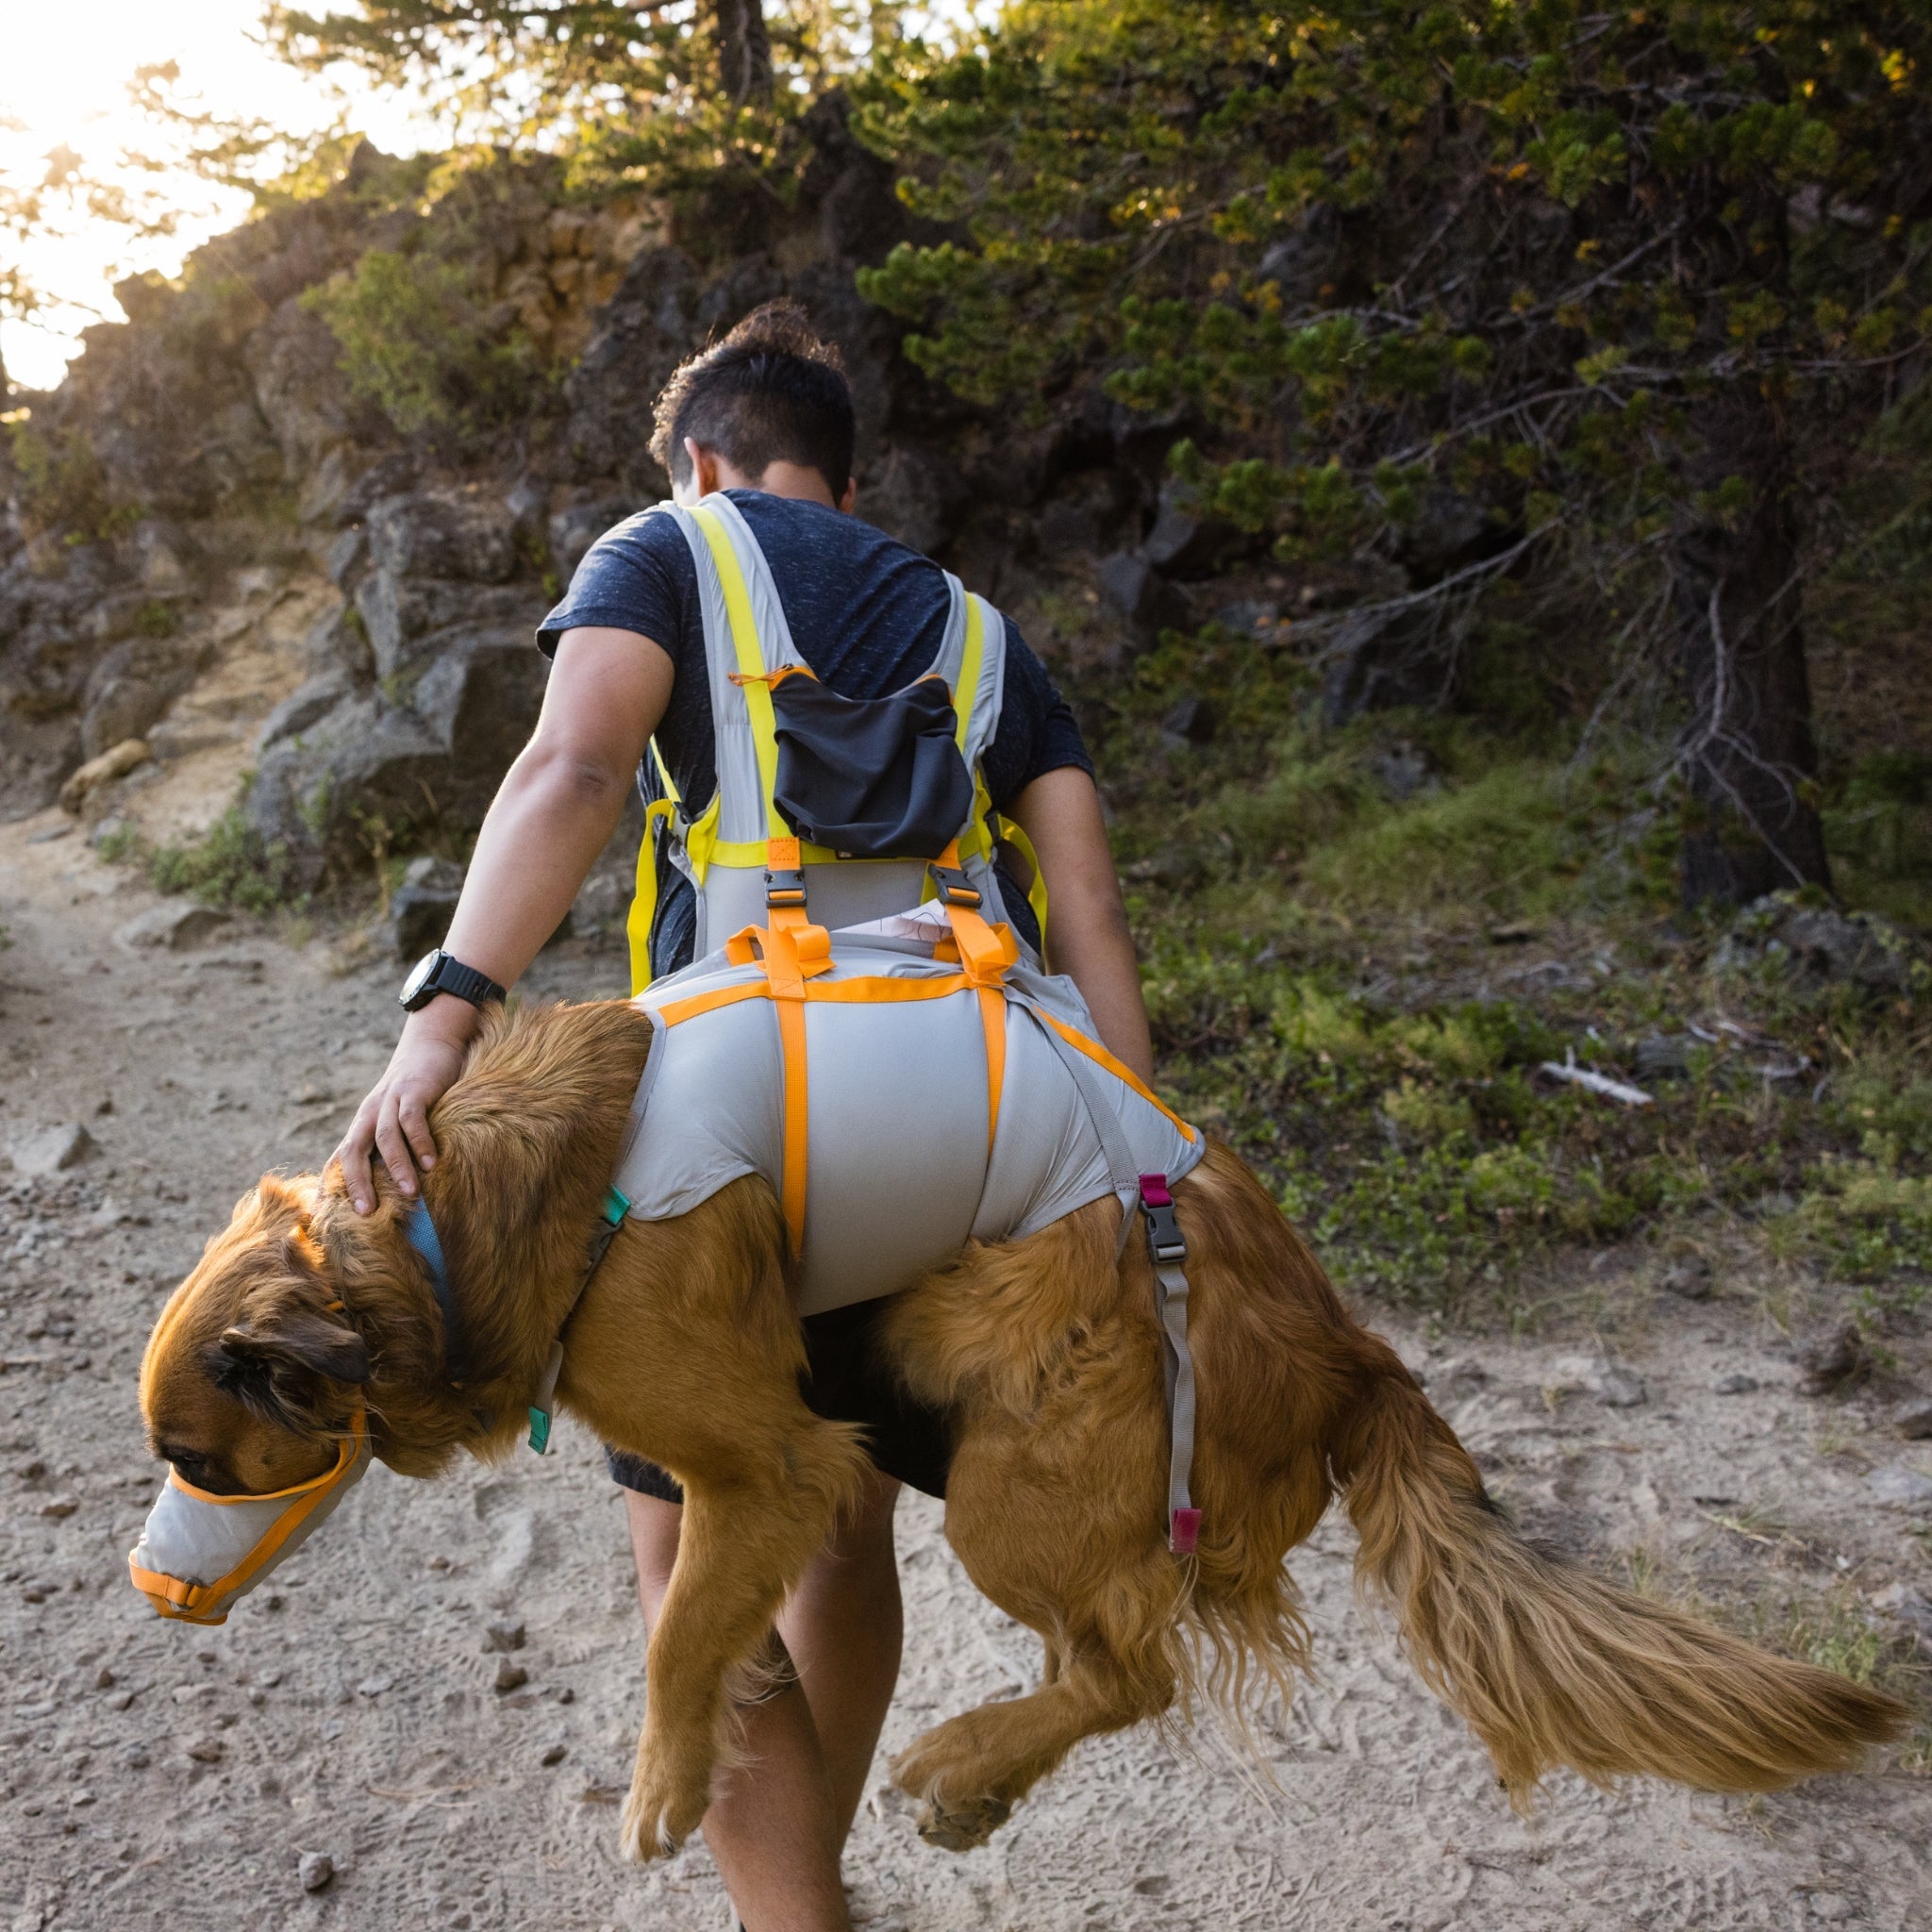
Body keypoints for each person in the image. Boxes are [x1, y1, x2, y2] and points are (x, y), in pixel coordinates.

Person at [332, 302, 1154, 1932]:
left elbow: (571, 768)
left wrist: (444, 1014)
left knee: (691, 1546)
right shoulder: (985, 634)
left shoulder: (669, 547)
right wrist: (1147, 1171)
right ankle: (816, 1883)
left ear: (704, 461)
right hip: (967, 1137)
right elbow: (1091, 926)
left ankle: (797, 1918)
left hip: (742, 1143)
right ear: (840, 479)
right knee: (840, 1530)